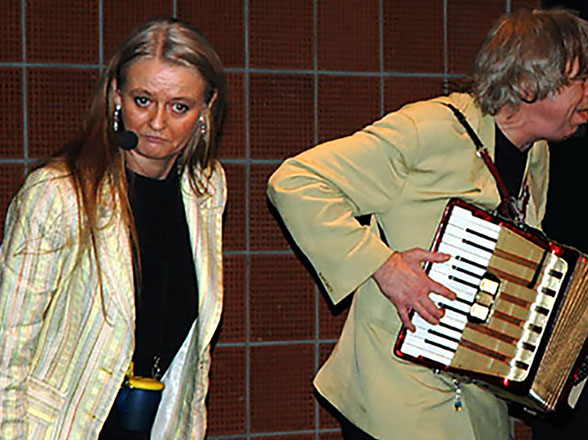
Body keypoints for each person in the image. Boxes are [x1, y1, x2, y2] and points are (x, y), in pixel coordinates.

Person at [268, 8, 588, 440]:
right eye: (581, 79)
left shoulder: (538, 156)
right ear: (529, 84)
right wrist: (384, 266)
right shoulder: (430, 128)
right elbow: (296, 182)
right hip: (395, 398)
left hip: (476, 402)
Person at [0, 18, 227, 440]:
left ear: (206, 108)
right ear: (116, 96)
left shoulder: (206, 188)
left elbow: (195, 356)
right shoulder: (58, 193)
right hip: (62, 427)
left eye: (180, 107)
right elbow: (7, 341)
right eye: (143, 100)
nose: (157, 122)